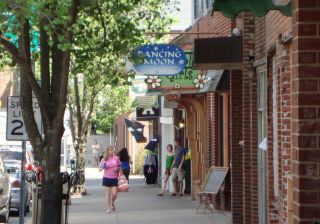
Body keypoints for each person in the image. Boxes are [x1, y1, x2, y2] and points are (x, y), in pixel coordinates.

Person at [99, 146, 121, 213]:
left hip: (114, 178)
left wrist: (117, 168)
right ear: (108, 151)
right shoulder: (104, 159)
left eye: (113, 150)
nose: (112, 151)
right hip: (106, 178)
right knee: (107, 194)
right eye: (111, 150)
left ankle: (113, 203)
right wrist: (102, 168)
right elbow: (100, 169)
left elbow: (119, 165)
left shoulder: (116, 158)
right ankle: (108, 208)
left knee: (114, 193)